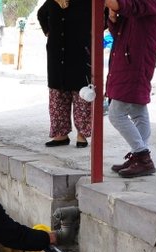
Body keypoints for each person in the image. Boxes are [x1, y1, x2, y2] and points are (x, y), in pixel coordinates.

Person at [104, 0, 156, 178]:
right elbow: (118, 32)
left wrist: (113, 6)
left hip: (136, 63)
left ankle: (142, 157)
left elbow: (127, 6)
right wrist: (112, 16)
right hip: (129, 60)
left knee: (116, 114)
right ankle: (138, 156)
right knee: (138, 111)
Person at [37, 0, 93, 148]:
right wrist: (49, 32)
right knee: (57, 94)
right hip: (57, 55)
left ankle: (82, 134)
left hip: (80, 53)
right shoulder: (52, 2)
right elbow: (41, 14)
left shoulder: (87, 2)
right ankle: (60, 135)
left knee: (82, 94)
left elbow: (103, 16)